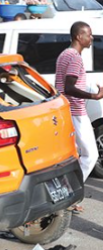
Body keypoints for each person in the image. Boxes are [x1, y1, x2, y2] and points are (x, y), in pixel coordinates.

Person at [55, 21, 103, 213]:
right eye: (88, 35)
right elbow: (69, 87)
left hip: (67, 111)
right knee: (91, 155)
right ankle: (69, 194)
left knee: (74, 157)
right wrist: (94, 96)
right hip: (75, 112)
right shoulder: (74, 57)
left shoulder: (64, 54)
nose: (91, 38)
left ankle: (66, 195)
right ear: (78, 36)